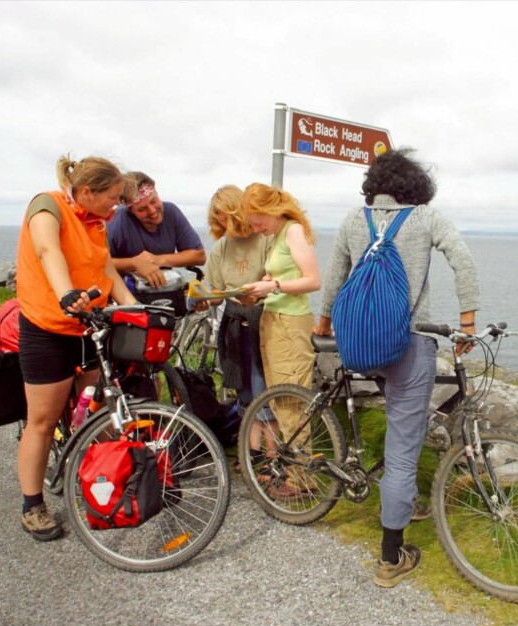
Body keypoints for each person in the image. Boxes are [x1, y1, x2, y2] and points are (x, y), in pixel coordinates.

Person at [314, 149, 480, 588]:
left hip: (362, 345)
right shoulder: (426, 218)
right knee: (404, 449)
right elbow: (463, 261)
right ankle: (392, 557)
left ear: (375, 184)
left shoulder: (354, 219)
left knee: (400, 431)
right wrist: (467, 324)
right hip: (409, 345)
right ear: (416, 185)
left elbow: (334, 276)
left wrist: (323, 323)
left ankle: (400, 500)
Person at [15, 155, 137, 541]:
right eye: (112, 197)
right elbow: (48, 251)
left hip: (88, 328)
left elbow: (107, 271)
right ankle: (32, 505)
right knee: (43, 420)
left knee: (93, 415)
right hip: (47, 328)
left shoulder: (97, 221)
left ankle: (94, 485)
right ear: (87, 191)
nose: (116, 206)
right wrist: (66, 292)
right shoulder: (46, 206)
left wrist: (135, 309)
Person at [240, 183, 322, 497]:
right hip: (274, 321)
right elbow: (285, 280)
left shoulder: (293, 231)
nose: (255, 227)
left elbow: (313, 280)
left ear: (270, 210)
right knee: (279, 399)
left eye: (256, 220)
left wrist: (272, 286)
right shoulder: (278, 236)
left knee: (291, 403)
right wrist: (261, 288)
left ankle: (303, 481)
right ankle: (293, 473)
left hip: (289, 324)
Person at [205, 185, 276, 459]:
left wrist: (257, 290)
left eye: (226, 218)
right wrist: (202, 299)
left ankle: (272, 456)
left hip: (263, 322)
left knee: (263, 391)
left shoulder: (265, 238)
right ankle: (251, 454)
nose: (223, 225)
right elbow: (216, 291)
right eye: (219, 220)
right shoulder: (221, 246)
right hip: (234, 324)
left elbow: (275, 279)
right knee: (244, 392)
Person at [106, 171, 206, 288]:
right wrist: (135, 264)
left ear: (157, 192)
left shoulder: (171, 212)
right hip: (124, 291)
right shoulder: (117, 220)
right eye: (142, 209)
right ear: (130, 210)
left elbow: (199, 256)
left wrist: (158, 260)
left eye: (153, 201)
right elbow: (99, 263)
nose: (152, 211)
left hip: (162, 289)